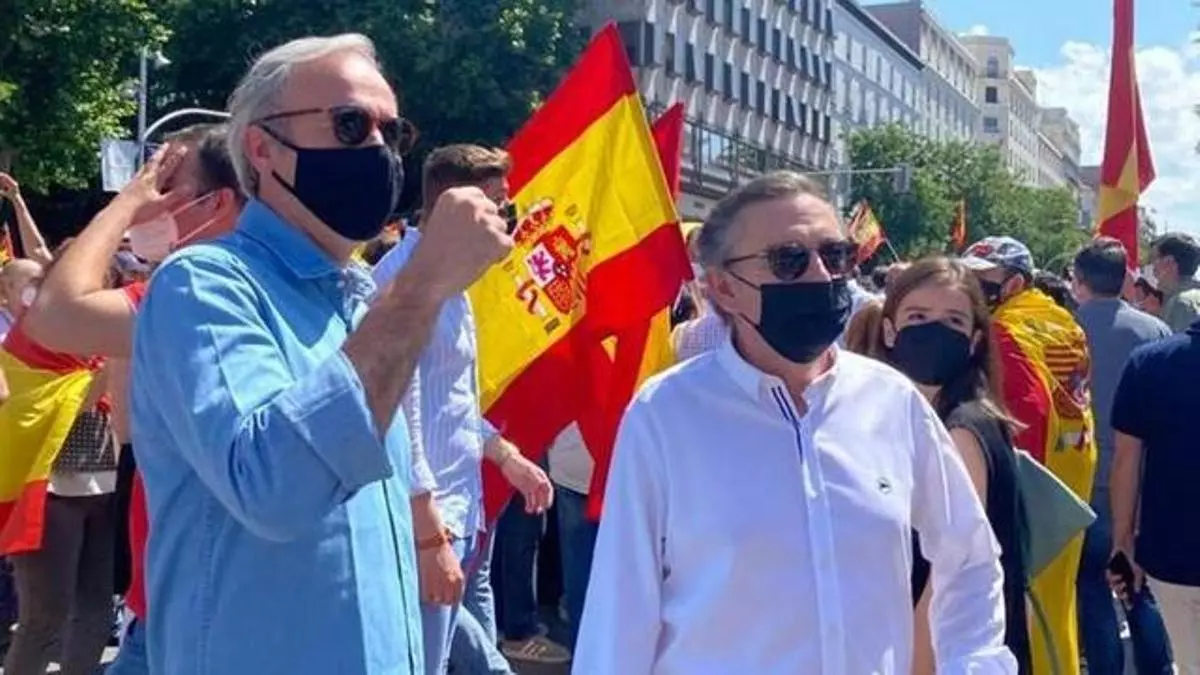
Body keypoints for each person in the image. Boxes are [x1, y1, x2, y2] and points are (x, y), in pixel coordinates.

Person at [128, 34, 512, 674]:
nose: (379, 151)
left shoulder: (360, 305)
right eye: (350, 124)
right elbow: (272, 486)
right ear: (262, 148)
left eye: (393, 133)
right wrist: (419, 287)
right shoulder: (203, 285)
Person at [575, 171, 1016, 674]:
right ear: (723, 287)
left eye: (835, 256)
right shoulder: (665, 415)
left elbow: (969, 555)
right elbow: (620, 610)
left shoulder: (892, 403)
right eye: (789, 260)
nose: (821, 277)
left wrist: (972, 663)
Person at [20, 123, 245, 675]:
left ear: (218, 202)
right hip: (185, 593)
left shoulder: (193, 292)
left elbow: (54, 315)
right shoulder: (236, 287)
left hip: (190, 606)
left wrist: (122, 206)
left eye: (164, 185)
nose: (149, 199)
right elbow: (128, 427)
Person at [372, 144, 556, 674]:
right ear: (454, 205)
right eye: (497, 203)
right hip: (430, 527)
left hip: (464, 513)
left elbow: (451, 400)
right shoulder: (400, 283)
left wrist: (506, 457)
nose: (506, 219)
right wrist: (429, 533)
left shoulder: (457, 285)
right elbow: (395, 412)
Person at [872, 257, 1031, 674]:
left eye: (953, 321)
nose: (933, 331)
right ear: (889, 330)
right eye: (918, 316)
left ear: (974, 340)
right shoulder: (912, 418)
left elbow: (948, 578)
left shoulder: (961, 431)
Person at [961, 235, 1096, 675]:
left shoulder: (1005, 330)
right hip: (1071, 472)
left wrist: (1006, 493)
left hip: (1035, 484)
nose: (972, 288)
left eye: (982, 279)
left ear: (1015, 283)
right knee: (1057, 603)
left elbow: (1026, 415)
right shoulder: (1064, 322)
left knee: (1027, 607)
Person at [1070, 238, 1174, 675]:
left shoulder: (1064, 330)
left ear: (1078, 281)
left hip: (1083, 482)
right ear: (1126, 280)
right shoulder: (1155, 332)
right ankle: (1157, 666)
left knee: (1092, 588)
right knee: (1141, 587)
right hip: (1144, 485)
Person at [1110, 319, 1200, 674]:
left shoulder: (1149, 363)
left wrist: (1123, 543)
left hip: (1172, 555)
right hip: (1171, 556)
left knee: (1190, 662)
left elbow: (1126, 460)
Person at [1148, 232, 1200, 333]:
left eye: (1154, 259)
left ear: (1169, 262)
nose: (1152, 267)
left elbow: (1180, 342)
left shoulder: (1181, 304)